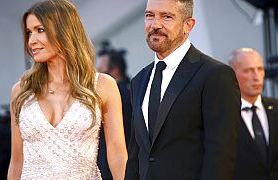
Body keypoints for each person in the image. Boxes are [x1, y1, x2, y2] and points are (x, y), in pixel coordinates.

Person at [7, 0, 127, 179]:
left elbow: (117, 155)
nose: (32, 41)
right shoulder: (21, 91)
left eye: (40, 30)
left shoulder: (103, 86)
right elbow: (17, 162)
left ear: (64, 30)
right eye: (28, 33)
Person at [125, 0, 241, 179]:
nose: (155, 24)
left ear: (188, 25)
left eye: (167, 17)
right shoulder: (139, 80)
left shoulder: (215, 75)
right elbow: (136, 154)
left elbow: (220, 154)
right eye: (150, 16)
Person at [229, 48, 278, 180]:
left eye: (260, 69)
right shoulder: (220, 114)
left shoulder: (276, 108)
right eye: (248, 71)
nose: (256, 77)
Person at [97, 45, 132, 180]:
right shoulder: (133, 90)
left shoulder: (119, 92)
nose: (97, 75)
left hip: (114, 168)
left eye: (100, 70)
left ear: (114, 71)